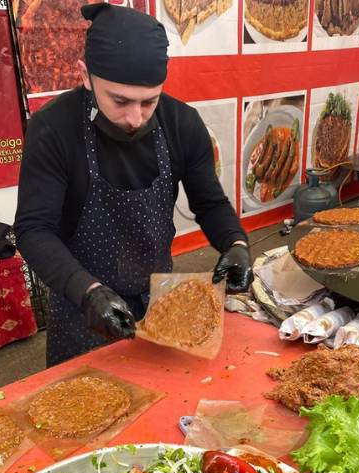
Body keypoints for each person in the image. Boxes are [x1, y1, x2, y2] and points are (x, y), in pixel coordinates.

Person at [14, 3, 253, 367]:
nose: (135, 118)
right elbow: (34, 230)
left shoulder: (182, 124)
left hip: (160, 300)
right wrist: (87, 290)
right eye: (120, 100)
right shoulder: (53, 129)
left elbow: (210, 204)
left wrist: (235, 244)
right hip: (84, 304)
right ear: (85, 76)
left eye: (149, 101)